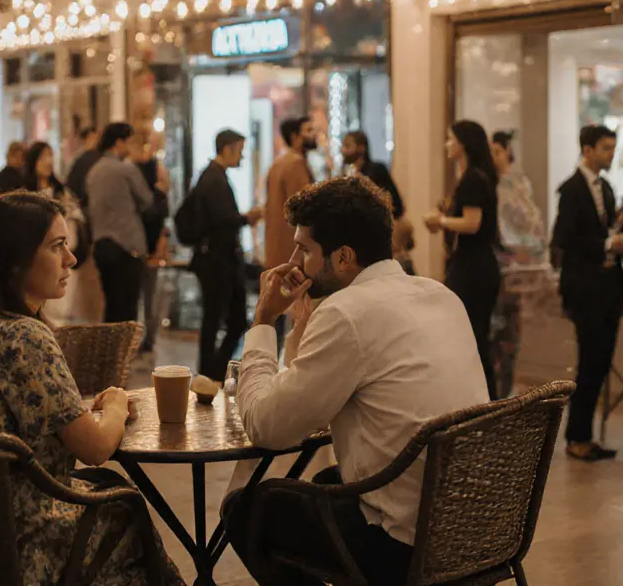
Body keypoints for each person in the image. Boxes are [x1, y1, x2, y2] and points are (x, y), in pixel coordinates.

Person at [0, 192, 182, 585]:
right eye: (57, 246)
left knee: (113, 496)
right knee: (126, 510)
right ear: (14, 261)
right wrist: (119, 404)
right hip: (18, 544)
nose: (71, 259)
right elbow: (95, 448)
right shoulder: (21, 336)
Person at [227, 177, 489, 585]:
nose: (295, 263)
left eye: (306, 249)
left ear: (344, 257)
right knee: (321, 483)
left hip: (402, 547)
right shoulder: (441, 295)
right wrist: (303, 324)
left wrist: (263, 322)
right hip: (470, 529)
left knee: (247, 510)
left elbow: (268, 427)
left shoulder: (348, 313)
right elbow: (309, 394)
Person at [552, 124, 623, 462]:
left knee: (600, 361)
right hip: (584, 288)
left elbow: (609, 236)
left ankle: (584, 433)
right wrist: (605, 243)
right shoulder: (572, 190)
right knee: (589, 361)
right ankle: (577, 436)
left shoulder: (609, 189)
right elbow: (565, 240)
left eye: (613, 148)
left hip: (607, 287)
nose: (610, 154)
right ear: (587, 150)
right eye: (604, 148)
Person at [424, 120, 501, 398]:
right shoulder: (477, 176)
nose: (447, 145)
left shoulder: (472, 178)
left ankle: (483, 405)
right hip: (475, 265)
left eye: (450, 139)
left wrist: (441, 220)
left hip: (474, 268)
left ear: (463, 144)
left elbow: (472, 224)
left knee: (473, 338)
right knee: (473, 337)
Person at [187, 130, 262, 381]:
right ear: (227, 149)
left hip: (218, 260)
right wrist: (246, 218)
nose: (241, 157)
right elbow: (222, 221)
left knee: (222, 319)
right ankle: (212, 372)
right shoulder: (214, 179)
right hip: (218, 262)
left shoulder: (213, 176)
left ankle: (212, 371)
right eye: (239, 150)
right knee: (222, 319)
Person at [86, 123, 153, 324]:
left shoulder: (93, 171)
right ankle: (125, 354)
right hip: (126, 245)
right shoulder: (125, 169)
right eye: (130, 141)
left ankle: (110, 353)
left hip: (102, 245)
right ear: (119, 142)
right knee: (127, 310)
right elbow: (146, 200)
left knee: (112, 307)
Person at [23, 141, 86, 324]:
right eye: (43, 157)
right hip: (37, 260)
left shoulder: (63, 192)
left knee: (60, 312)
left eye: (51, 156)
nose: (48, 161)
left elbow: (76, 221)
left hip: (65, 256)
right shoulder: (25, 193)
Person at [131, 128, 170, 352]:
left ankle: (144, 338)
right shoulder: (156, 197)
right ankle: (146, 339)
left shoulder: (141, 198)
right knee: (149, 297)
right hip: (148, 250)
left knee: (144, 298)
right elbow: (163, 222)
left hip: (144, 250)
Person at [264, 117, 317, 272]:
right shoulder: (295, 163)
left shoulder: (278, 163)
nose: (314, 134)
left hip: (276, 249)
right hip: (291, 250)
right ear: (294, 136)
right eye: (308, 130)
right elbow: (304, 207)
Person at [491, 131, 545, 258]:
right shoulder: (491, 183)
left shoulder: (520, 181)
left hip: (522, 237)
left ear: (507, 151)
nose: (493, 157)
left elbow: (526, 211)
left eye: (497, 152)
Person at [341, 130, 404, 219]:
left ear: (361, 148)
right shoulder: (346, 173)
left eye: (347, 146)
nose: (343, 150)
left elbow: (396, 206)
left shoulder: (377, 169)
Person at [66, 126, 103, 208]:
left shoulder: (80, 159)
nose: (96, 141)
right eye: (93, 138)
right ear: (85, 140)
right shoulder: (80, 160)